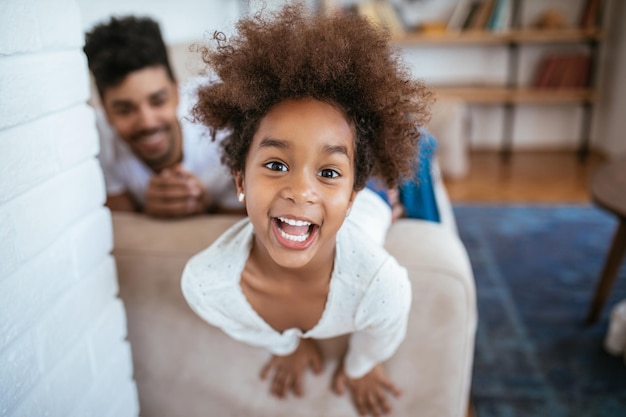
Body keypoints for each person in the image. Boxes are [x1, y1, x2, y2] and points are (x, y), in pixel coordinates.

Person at [181, 4, 434, 416]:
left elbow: (382, 334)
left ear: (349, 197)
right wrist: (289, 343)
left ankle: (380, 185)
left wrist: (360, 367)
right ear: (240, 180)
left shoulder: (382, 285)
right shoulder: (206, 286)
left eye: (327, 171)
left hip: (372, 198)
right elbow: (249, 327)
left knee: (411, 162)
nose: (300, 191)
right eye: (276, 165)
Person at [83, 16, 243, 218]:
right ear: (105, 111)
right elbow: (123, 225)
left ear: (177, 92)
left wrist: (205, 205)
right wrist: (147, 211)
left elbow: (235, 227)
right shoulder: (96, 140)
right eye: (124, 110)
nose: (147, 123)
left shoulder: (224, 128)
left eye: (158, 101)